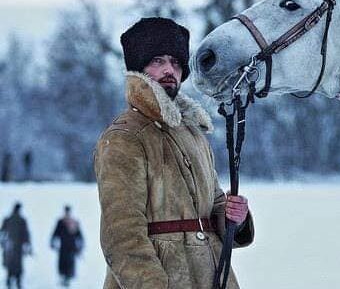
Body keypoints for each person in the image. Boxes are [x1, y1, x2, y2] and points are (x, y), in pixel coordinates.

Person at [94, 17, 254, 289]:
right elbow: (121, 237)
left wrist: (232, 218)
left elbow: (213, 205)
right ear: (139, 68)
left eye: (176, 62)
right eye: (157, 61)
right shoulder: (124, 137)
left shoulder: (192, 132)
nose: (169, 69)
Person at [50, 205, 84, 287]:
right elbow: (55, 233)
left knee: (69, 265)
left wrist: (80, 247)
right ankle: (64, 279)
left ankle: (67, 280)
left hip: (71, 248)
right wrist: (52, 242)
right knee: (63, 264)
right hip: (64, 248)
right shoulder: (61, 222)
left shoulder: (74, 222)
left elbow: (80, 236)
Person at [0, 203, 31, 289]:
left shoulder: (8, 219)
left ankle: (10, 281)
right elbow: (26, 234)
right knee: (16, 265)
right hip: (16, 247)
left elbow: (2, 233)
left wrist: (3, 243)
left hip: (10, 246)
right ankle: (16, 282)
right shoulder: (21, 220)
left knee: (11, 264)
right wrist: (27, 245)